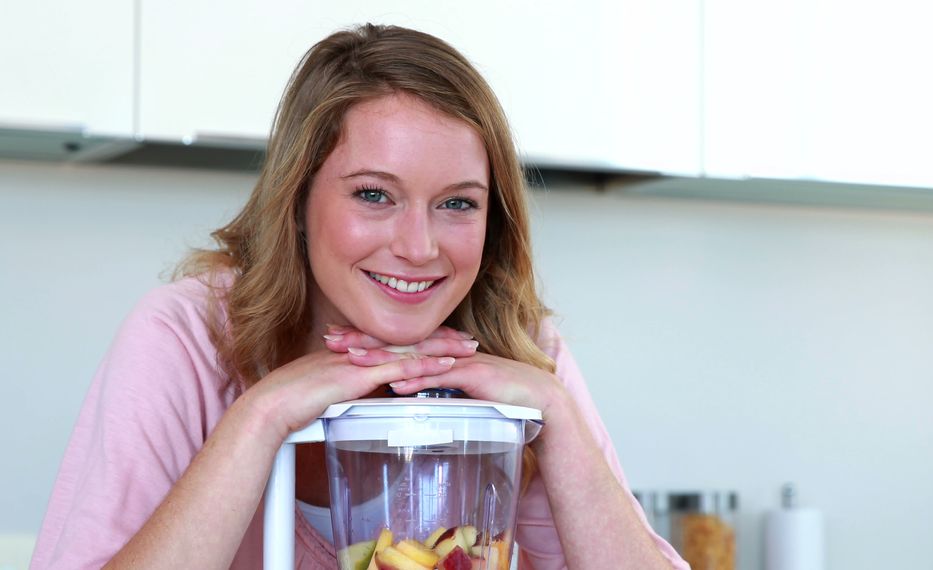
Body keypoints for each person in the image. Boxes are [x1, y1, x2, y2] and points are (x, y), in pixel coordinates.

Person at [31, 23, 689, 570]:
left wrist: (556, 413)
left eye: (458, 203)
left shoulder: (520, 354)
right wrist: (261, 418)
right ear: (296, 198)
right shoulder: (188, 337)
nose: (418, 246)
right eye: (373, 194)